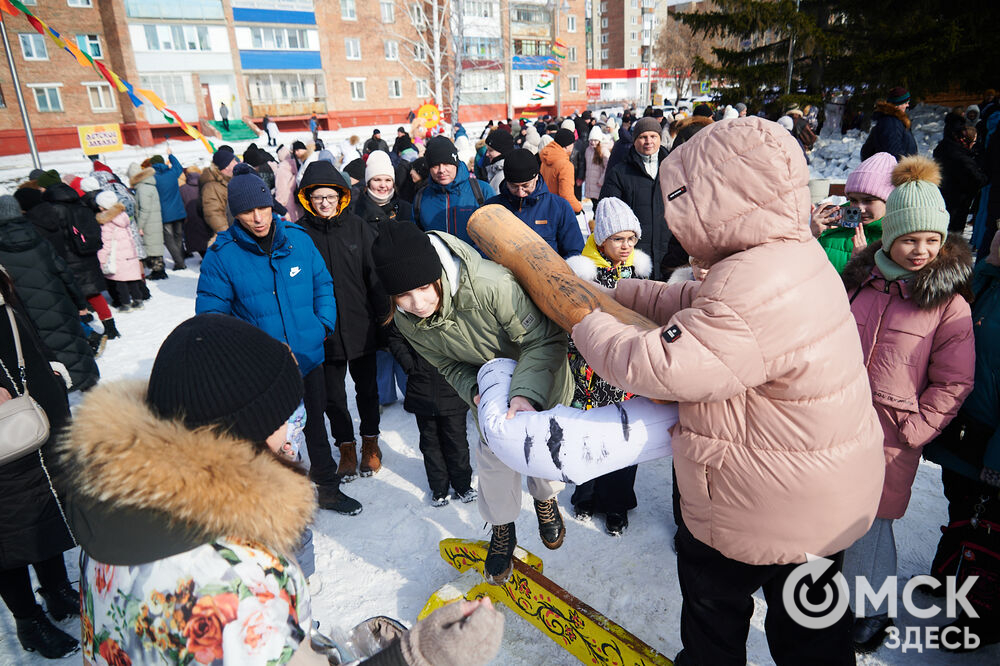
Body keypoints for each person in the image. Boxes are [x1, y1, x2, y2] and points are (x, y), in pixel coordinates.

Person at [571, 117, 885, 664]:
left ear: (721, 201)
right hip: (817, 497)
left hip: (759, 499)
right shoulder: (788, 255)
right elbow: (705, 307)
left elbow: (663, 364)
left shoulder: (751, 283)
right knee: (812, 630)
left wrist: (584, 319)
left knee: (714, 619)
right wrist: (624, 293)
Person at [56, 313, 504, 665]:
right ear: (243, 433)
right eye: (284, 415)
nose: (295, 429)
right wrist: (418, 655)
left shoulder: (119, 512)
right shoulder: (235, 579)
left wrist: (311, 649)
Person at [372, 222, 572, 585]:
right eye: (403, 295)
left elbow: (544, 340)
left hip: (540, 379)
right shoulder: (407, 321)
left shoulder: (490, 286)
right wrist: (474, 390)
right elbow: (447, 364)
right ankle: (502, 526)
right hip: (492, 390)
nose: (418, 304)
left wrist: (524, 394)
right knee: (494, 461)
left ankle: (545, 499)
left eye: (423, 287)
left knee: (541, 453)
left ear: (437, 272)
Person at [840, 156, 975, 653]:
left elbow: (954, 380)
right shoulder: (861, 282)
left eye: (932, 240)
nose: (921, 251)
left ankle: (872, 611)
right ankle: (840, 596)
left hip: (891, 433)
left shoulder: (948, 304)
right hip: (838, 419)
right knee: (834, 510)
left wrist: (914, 430)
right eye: (910, 239)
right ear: (890, 235)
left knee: (872, 523)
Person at [196, 164, 360, 515]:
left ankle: (328, 488)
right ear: (235, 213)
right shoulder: (221, 256)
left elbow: (323, 285)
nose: (258, 218)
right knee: (273, 437)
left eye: (263, 207)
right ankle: (282, 500)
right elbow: (212, 319)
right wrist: (250, 353)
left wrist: (322, 326)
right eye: (247, 211)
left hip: (308, 356)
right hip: (264, 371)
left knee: (316, 426)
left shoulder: (298, 240)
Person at [923, 230, 1000, 649]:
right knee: (960, 505)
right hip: (965, 426)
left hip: (993, 442)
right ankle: (948, 575)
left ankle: (980, 620)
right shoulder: (982, 277)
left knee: (988, 528)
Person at [0, 267, 79, 660]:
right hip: (5, 424)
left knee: (44, 505)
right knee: (8, 522)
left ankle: (57, 590)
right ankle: (28, 620)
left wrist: (48, 364)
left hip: (35, 407)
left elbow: (20, 322)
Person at [296, 160, 389, 481]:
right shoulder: (299, 234)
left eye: (331, 197)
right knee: (332, 397)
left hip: (361, 325)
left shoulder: (358, 228)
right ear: (307, 198)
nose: (325, 203)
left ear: (341, 196)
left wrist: (383, 321)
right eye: (318, 197)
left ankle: (370, 442)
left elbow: (375, 277)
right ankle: (346, 445)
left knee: (368, 391)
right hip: (324, 331)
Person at [564, 197, 651, 536]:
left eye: (631, 238)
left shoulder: (640, 273)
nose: (626, 246)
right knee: (589, 436)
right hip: (590, 372)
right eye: (618, 239)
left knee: (623, 437)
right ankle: (585, 494)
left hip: (626, 370)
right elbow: (570, 320)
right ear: (601, 240)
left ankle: (616, 503)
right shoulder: (581, 274)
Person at [0, 195, 98, 390]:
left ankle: (60, 389)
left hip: (26, 312)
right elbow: (65, 272)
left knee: (47, 353)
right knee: (72, 345)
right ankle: (88, 386)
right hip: (58, 303)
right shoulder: (37, 236)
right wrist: (80, 303)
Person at [386, 321, 476, 506]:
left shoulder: (453, 312)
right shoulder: (407, 314)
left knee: (456, 441)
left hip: (452, 387)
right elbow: (395, 336)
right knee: (430, 442)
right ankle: (438, 487)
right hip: (421, 387)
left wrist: (464, 366)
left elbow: (471, 335)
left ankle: (463, 485)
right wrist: (409, 364)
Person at [354, 151, 413, 406]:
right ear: (368, 182)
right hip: (371, 289)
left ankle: (411, 392)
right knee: (380, 346)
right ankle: (383, 396)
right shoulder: (356, 214)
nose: (383, 185)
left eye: (387, 180)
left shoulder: (404, 208)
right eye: (377, 180)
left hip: (403, 286)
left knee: (405, 342)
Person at [599, 116, 679, 280]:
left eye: (653, 136)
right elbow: (608, 214)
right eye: (643, 137)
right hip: (634, 255)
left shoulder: (674, 169)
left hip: (670, 252)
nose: (648, 141)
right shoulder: (620, 173)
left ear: (660, 138)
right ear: (635, 140)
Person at [485, 149, 583, 259]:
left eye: (525, 186)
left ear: (536, 177)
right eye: (514, 186)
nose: (520, 192)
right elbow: (480, 248)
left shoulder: (558, 207)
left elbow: (574, 251)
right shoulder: (492, 208)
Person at [812, 152, 897, 273]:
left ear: (889, 201)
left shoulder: (898, 238)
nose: (860, 209)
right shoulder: (831, 230)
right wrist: (809, 237)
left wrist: (864, 262)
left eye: (868, 201)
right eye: (853, 200)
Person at [413, 135, 495, 246]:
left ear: (455, 163)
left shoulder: (482, 191)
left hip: (477, 256)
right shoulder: (421, 198)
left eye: (446, 164)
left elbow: (496, 233)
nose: (441, 170)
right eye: (435, 165)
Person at [934, 115, 988, 233]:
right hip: (958, 202)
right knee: (953, 232)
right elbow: (978, 178)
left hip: (946, 198)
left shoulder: (943, 148)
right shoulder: (960, 157)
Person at [95, 191, 145, 314]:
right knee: (132, 278)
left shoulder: (107, 222)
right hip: (130, 253)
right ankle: (138, 301)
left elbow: (106, 243)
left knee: (120, 281)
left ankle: (126, 304)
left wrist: (102, 258)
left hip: (117, 256)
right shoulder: (123, 216)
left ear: (103, 206)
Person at [150, 148, 188, 271]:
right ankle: (180, 258)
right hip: (178, 210)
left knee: (168, 239)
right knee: (178, 236)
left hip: (165, 213)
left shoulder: (152, 178)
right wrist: (171, 155)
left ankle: (179, 262)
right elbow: (179, 167)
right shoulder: (172, 173)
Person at [128, 162, 166, 279]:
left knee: (152, 246)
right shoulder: (147, 185)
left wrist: (139, 226)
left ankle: (158, 271)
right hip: (153, 220)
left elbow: (144, 209)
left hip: (149, 222)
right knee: (154, 245)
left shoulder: (142, 188)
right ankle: (158, 270)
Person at [539, 128, 584, 230]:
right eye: (573, 144)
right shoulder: (565, 165)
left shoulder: (546, 159)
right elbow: (566, 194)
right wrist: (578, 207)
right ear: (567, 146)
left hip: (545, 207)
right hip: (559, 212)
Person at [861, 87, 919, 161]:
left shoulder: (896, 120)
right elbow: (893, 154)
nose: (907, 105)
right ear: (897, 105)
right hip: (897, 167)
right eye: (905, 103)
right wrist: (906, 165)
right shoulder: (891, 123)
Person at [200, 148, 237, 237]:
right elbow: (213, 214)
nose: (236, 163)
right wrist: (228, 235)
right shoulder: (211, 187)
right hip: (229, 235)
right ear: (226, 166)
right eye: (233, 161)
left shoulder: (230, 181)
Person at [179, 167, 211, 258]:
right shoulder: (206, 186)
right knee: (208, 239)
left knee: (196, 241)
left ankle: (205, 257)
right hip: (206, 217)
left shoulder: (182, 189)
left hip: (190, 218)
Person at [584, 125, 610, 200]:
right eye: (591, 140)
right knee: (593, 204)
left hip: (599, 185)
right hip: (590, 185)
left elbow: (608, 167)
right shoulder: (588, 150)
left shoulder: (604, 151)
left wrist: (601, 181)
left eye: (595, 140)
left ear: (599, 141)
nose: (593, 142)